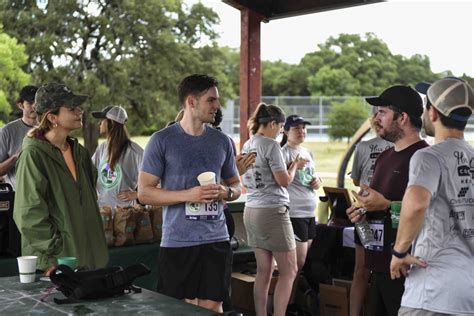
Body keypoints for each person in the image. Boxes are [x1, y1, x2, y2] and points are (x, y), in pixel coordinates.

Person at [137, 74, 241, 313]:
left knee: (213, 306)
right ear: (192, 101)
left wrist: (226, 191)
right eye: (211, 100)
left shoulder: (222, 141)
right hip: (177, 241)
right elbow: (144, 193)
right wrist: (189, 195)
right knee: (180, 308)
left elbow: (236, 185)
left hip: (216, 239)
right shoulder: (161, 140)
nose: (217, 106)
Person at [390, 78, 474, 315]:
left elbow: (416, 203)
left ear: (433, 112)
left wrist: (399, 252)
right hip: (468, 295)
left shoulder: (428, 157)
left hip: (431, 291)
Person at [346, 85, 429, 316]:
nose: (375, 118)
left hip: (407, 271)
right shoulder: (385, 156)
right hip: (379, 269)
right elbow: (376, 209)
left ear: (402, 118)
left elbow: (428, 214)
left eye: (382, 112)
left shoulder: (424, 158)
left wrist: (385, 205)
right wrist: (360, 213)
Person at [13, 83, 108, 274]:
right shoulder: (33, 155)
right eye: (72, 108)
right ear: (52, 117)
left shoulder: (79, 153)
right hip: (56, 266)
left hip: (89, 262)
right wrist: (56, 252)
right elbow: (28, 215)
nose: (79, 111)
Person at [241, 103, 307, 316]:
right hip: (272, 211)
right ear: (271, 124)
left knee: (264, 271)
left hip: (251, 209)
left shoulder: (248, 143)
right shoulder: (271, 145)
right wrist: (295, 165)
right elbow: (284, 181)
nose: (281, 132)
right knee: (290, 271)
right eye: (280, 127)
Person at [349, 113, 393, 316]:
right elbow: (357, 180)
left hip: (388, 216)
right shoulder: (363, 147)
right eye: (374, 116)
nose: (377, 121)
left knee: (381, 269)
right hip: (365, 216)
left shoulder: (400, 147)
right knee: (362, 269)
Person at [280, 115, 321, 272]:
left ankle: (294, 295)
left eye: (303, 127)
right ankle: (287, 296)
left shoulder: (307, 152)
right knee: (297, 264)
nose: (301, 131)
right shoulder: (282, 153)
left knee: (301, 265)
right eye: (296, 128)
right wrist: (294, 166)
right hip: (295, 213)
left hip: (310, 212)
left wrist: (317, 181)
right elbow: (280, 181)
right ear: (285, 131)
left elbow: (312, 177)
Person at [91, 105, 143, 208]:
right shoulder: (102, 148)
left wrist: (136, 194)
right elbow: (89, 172)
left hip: (124, 214)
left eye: (102, 120)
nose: (99, 123)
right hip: (103, 211)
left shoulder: (134, 150)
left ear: (111, 122)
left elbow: (157, 179)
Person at [0, 85, 38, 189]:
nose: (35, 106)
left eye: (37, 102)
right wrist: (16, 157)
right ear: (20, 105)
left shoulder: (51, 130)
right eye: (30, 103)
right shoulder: (7, 131)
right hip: (18, 199)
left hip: (46, 200)